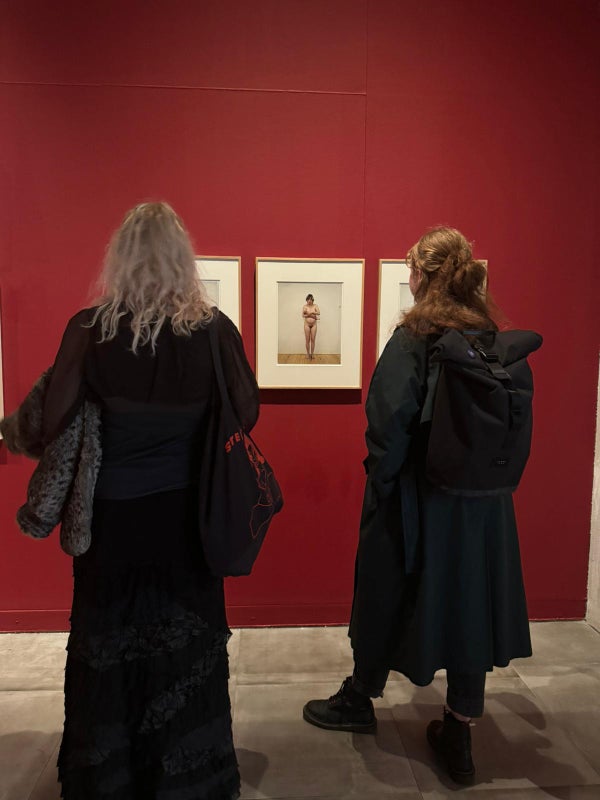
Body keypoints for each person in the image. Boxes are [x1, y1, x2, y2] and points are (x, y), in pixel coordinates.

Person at [303, 226, 533, 785]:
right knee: (470, 604)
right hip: (482, 507)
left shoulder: (415, 338)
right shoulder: (488, 336)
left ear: (422, 276)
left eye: (411, 269)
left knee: (383, 587)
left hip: (419, 499)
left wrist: (381, 490)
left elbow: (388, 423)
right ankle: (459, 731)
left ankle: (359, 697)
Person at [42, 202, 257, 799]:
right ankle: (187, 777)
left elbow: (54, 419)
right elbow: (246, 411)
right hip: (187, 518)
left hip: (112, 520)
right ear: (181, 260)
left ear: (122, 258)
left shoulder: (89, 330)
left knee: (108, 641)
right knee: (186, 647)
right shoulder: (213, 331)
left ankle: (109, 777)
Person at [302, 293, 320, 360]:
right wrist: (313, 316)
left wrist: (311, 313)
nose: (309, 301)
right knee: (307, 340)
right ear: (306, 300)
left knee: (313, 339)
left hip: (314, 325)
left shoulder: (315, 306)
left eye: (310, 299)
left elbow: (318, 312)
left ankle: (312, 354)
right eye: (308, 299)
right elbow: (303, 315)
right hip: (306, 324)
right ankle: (307, 354)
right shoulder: (305, 306)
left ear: (312, 300)